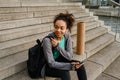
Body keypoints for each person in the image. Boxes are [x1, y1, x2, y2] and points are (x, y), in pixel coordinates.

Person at [43, 12, 87, 80]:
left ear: (66, 29)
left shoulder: (67, 37)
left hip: (59, 60)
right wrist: (71, 66)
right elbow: (51, 63)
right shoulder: (48, 40)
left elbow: (69, 57)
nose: (58, 30)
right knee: (65, 72)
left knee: (80, 65)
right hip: (48, 66)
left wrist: (58, 46)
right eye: (56, 27)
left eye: (62, 28)